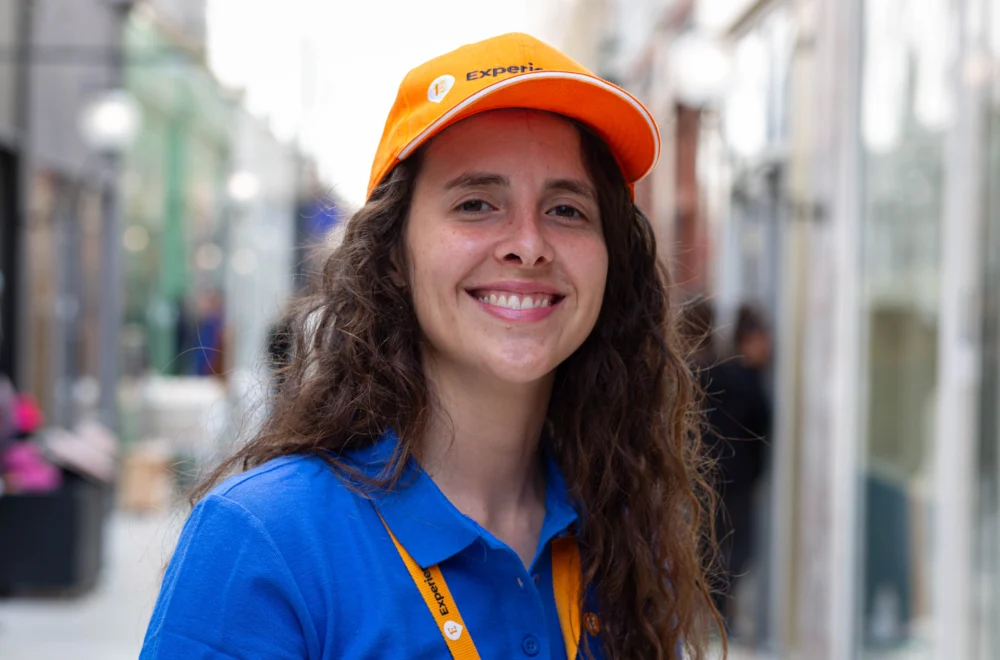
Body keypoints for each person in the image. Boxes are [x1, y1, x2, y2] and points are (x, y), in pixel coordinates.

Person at [140, 33, 723, 659]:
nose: (528, 243)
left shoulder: (623, 533)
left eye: (567, 209)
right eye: (476, 204)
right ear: (393, 253)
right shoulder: (264, 539)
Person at [687, 301, 771, 635]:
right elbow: (761, 437)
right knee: (732, 551)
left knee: (713, 547)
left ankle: (716, 614)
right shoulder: (744, 382)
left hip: (711, 477)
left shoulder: (706, 377)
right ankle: (719, 616)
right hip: (733, 480)